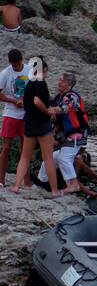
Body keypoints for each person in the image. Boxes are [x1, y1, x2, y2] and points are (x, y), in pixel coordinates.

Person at [12, 58, 61, 195]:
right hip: (42, 124)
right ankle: (55, 191)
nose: (47, 73)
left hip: (29, 123)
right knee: (48, 158)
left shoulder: (29, 84)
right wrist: (48, 111)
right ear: (42, 70)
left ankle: (16, 186)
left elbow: (29, 100)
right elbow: (37, 101)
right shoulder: (41, 83)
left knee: (25, 157)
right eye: (46, 70)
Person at [36, 72, 90, 194]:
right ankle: (42, 183)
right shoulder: (59, 97)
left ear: (68, 84)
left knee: (64, 158)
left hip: (77, 135)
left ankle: (73, 184)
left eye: (62, 81)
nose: (58, 82)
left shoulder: (72, 97)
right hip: (65, 137)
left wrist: (45, 110)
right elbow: (51, 109)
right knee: (49, 160)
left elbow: (61, 109)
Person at [0, 49, 28, 190]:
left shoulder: (30, 70)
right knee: (6, 147)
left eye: (18, 65)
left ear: (21, 60)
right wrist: (13, 101)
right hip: (10, 113)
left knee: (25, 148)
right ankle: (1, 180)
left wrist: (26, 101)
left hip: (26, 113)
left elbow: (37, 89)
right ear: (10, 63)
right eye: (13, 65)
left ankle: (26, 180)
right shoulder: (5, 73)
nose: (16, 67)